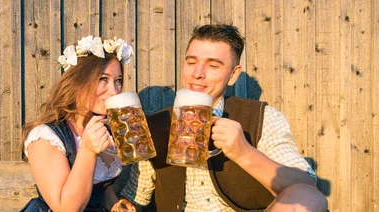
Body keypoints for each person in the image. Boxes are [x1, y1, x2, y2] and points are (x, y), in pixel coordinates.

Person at [112, 24, 328, 211]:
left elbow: (306, 189)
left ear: (233, 74)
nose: (197, 73)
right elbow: (135, 197)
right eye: (191, 62)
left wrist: (244, 152)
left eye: (213, 65)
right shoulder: (159, 124)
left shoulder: (262, 118)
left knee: (307, 197)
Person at [21, 36, 134, 211]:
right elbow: (66, 209)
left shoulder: (104, 129)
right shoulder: (45, 137)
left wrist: (116, 207)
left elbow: (101, 189)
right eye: (103, 79)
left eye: (118, 81)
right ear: (78, 82)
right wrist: (88, 152)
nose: (114, 91)